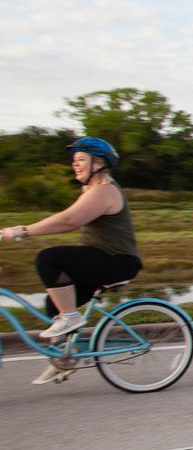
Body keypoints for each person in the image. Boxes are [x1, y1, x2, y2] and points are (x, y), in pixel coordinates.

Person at [0, 137, 144, 385]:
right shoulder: (91, 190)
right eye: (74, 160)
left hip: (116, 261)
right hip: (103, 258)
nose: (75, 165)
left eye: (80, 160)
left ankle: (71, 317)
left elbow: (68, 221)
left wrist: (23, 230)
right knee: (54, 301)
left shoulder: (105, 191)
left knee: (48, 258)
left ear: (98, 163)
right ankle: (63, 357)